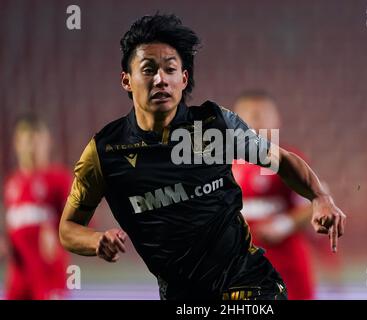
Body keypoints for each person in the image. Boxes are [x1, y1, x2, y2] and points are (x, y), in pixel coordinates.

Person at [59, 14, 346, 300]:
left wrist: (320, 197)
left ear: (183, 78)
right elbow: (68, 228)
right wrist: (95, 240)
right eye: (148, 69)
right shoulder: (104, 152)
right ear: (126, 80)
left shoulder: (215, 126)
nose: (161, 79)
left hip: (250, 287)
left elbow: (281, 160)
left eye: (170, 70)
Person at [232, 91, 315, 299]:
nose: (253, 123)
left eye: (260, 116)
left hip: (283, 260)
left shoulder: (288, 160)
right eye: (247, 116)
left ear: (275, 119)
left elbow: (313, 206)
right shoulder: (220, 163)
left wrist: (282, 225)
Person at [2, 115, 72, 299]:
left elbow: (82, 222)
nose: (32, 148)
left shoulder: (59, 179)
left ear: (48, 142)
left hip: (49, 278)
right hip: (18, 280)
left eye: (37, 141)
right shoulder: (12, 184)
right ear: (17, 143)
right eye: (26, 141)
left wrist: (56, 233)